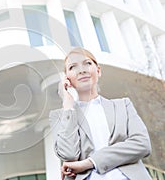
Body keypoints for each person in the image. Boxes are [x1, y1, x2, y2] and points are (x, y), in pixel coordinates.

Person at [49, 47, 152, 180]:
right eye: (73, 67)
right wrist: (68, 107)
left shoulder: (123, 105)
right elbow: (69, 155)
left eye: (87, 63)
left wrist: (89, 163)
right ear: (66, 79)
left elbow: (142, 144)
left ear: (98, 71)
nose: (81, 70)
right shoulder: (60, 116)